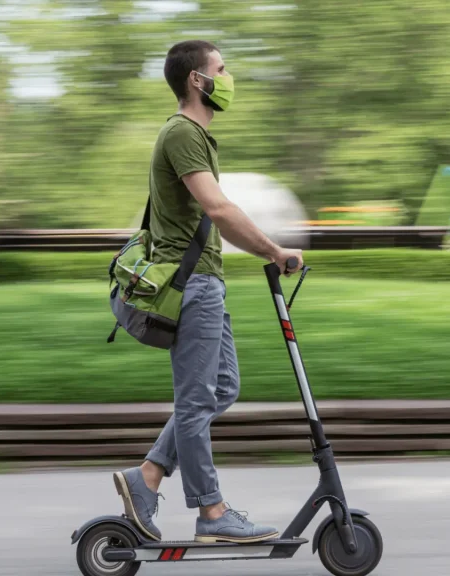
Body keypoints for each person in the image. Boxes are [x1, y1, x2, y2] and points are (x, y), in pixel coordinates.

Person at [112, 39, 303, 544]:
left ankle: (148, 477)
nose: (228, 77)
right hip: (191, 285)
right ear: (198, 80)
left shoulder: (194, 136)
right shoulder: (181, 133)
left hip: (205, 283)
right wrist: (272, 250)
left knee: (222, 388)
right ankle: (213, 514)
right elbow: (217, 209)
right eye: (222, 68)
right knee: (197, 401)